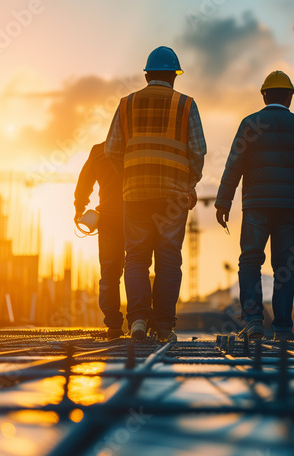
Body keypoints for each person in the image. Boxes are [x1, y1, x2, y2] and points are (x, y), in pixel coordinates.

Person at [105, 46, 206, 342]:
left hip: (135, 193)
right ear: (174, 77)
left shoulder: (126, 104)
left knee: (135, 257)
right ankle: (163, 326)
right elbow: (198, 150)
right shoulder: (186, 105)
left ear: (147, 75)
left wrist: (129, 176)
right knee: (168, 259)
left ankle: (136, 320)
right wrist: (190, 183)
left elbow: (112, 149)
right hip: (173, 197)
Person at [215, 70, 294, 342]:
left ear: (264, 96)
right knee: (284, 266)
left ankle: (253, 323)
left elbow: (233, 165)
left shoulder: (250, 124)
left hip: (256, 207)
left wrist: (223, 201)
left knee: (250, 262)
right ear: (289, 96)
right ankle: (283, 328)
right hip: (291, 208)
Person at [74, 142, 125, 340]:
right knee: (137, 266)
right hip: (136, 216)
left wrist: (80, 207)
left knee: (109, 271)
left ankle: (113, 324)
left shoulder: (99, 150)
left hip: (108, 217)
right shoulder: (138, 146)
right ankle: (139, 321)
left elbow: (85, 180)